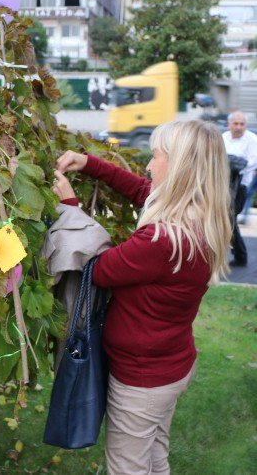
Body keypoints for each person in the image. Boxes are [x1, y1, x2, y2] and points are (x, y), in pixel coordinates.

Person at [51, 120, 232, 475]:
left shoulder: (163, 239)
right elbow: (142, 190)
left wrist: (71, 207)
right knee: (153, 457)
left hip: (142, 381)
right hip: (170, 365)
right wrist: (90, 164)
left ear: (179, 165)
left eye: (156, 157)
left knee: (128, 467)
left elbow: (99, 270)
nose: (149, 166)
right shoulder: (200, 215)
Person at [222, 111, 257, 266]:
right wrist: (235, 163)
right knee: (227, 221)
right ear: (229, 124)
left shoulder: (252, 140)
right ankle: (238, 256)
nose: (239, 127)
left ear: (246, 125)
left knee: (230, 220)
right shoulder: (223, 138)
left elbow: (250, 163)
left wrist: (231, 163)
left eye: (242, 124)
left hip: (240, 187)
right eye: (235, 123)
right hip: (223, 185)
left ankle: (241, 256)